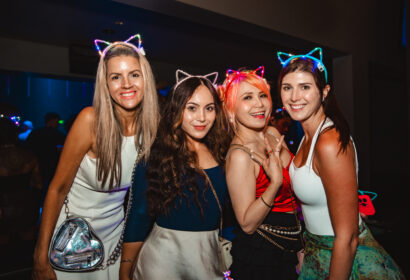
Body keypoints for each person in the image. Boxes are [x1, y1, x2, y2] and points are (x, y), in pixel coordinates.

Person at [32, 34, 160, 280]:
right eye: (115, 77)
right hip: (70, 239)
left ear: (145, 78)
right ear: (106, 84)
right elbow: (56, 189)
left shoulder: (152, 129)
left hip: (115, 239)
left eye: (134, 74)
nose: (126, 84)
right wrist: (40, 254)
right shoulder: (90, 121)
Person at [278, 47, 404, 279]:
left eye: (305, 87)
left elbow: (347, 238)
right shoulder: (307, 136)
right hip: (318, 250)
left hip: (345, 257)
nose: (294, 97)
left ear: (324, 92)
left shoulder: (329, 141)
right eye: (287, 87)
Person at [120, 70, 231, 280]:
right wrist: (126, 269)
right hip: (162, 261)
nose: (202, 117)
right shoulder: (157, 156)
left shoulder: (222, 153)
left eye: (209, 109)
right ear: (176, 110)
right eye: (192, 108)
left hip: (207, 259)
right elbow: (139, 216)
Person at [219, 67, 303, 279]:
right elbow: (247, 224)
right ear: (230, 110)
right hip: (262, 256)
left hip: (293, 243)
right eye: (247, 97)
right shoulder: (239, 155)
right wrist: (274, 183)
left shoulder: (273, 133)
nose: (259, 104)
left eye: (262, 95)